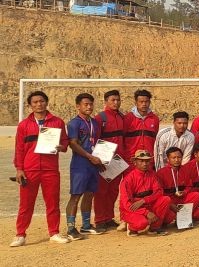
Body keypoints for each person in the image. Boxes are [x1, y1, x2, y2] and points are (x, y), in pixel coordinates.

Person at [10, 91, 71, 247]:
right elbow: (19, 149)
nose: (39, 104)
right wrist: (19, 169)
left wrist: (61, 147)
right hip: (30, 170)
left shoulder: (57, 122)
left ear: (46, 102)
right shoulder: (24, 125)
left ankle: (54, 233)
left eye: (42, 101)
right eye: (35, 102)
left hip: (50, 169)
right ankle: (20, 235)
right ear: (30, 105)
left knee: (52, 203)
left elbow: (65, 143)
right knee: (26, 204)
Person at [65, 93, 105, 240]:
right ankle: (70, 228)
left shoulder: (94, 123)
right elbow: (73, 144)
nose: (89, 107)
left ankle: (86, 225)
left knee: (89, 194)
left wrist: (100, 160)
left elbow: (96, 142)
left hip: (93, 164)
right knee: (76, 196)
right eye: (85, 104)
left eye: (91, 104)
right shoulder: (74, 123)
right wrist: (90, 157)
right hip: (80, 164)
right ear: (78, 106)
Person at [93, 90, 125, 232]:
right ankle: (100, 220)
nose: (116, 102)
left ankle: (108, 217)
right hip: (105, 159)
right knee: (101, 191)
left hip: (118, 160)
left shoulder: (122, 117)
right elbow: (95, 139)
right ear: (106, 101)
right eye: (113, 100)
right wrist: (99, 160)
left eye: (118, 100)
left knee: (113, 191)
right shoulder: (100, 118)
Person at [119, 150, 172, 236]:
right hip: (133, 210)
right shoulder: (127, 180)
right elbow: (127, 204)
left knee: (166, 201)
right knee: (141, 223)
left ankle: (154, 228)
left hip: (148, 205)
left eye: (147, 161)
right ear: (135, 162)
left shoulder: (152, 175)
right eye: (141, 161)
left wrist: (144, 200)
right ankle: (132, 228)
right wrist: (146, 213)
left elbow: (159, 192)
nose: (145, 163)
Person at [156, 147, 199, 226]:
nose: (177, 160)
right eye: (174, 158)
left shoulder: (186, 169)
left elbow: (189, 186)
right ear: (168, 159)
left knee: (196, 196)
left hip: (182, 198)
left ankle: (182, 219)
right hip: (170, 201)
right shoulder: (161, 173)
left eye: (179, 157)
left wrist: (184, 192)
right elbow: (160, 193)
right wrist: (171, 204)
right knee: (169, 217)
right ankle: (179, 218)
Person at [122, 90, 160, 163]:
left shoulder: (155, 119)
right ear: (136, 103)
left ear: (150, 102)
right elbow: (122, 139)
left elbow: (155, 139)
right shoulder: (127, 118)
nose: (144, 104)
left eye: (146, 101)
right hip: (131, 159)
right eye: (141, 102)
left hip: (148, 159)